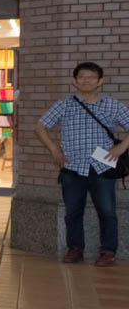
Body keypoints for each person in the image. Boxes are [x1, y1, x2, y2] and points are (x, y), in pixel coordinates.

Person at [36, 61, 129, 266]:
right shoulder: (64, 104)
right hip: (72, 166)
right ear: (74, 81)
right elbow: (41, 127)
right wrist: (54, 149)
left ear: (100, 81)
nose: (86, 80)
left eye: (91, 77)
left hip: (103, 166)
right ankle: (75, 248)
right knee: (73, 212)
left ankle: (108, 252)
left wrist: (121, 148)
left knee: (107, 212)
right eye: (82, 77)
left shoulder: (112, 105)